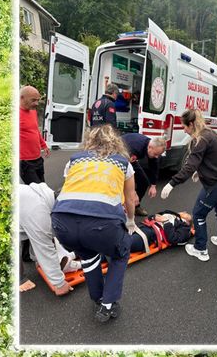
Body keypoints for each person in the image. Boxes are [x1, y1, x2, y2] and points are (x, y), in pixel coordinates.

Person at [51, 124, 137, 322]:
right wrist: (130, 221)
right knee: (120, 251)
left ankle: (98, 296)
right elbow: (130, 198)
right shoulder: (123, 163)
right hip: (102, 222)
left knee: (88, 254)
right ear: (115, 141)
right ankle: (107, 305)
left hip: (63, 221)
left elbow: (72, 187)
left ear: (90, 140)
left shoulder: (74, 160)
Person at [160, 109, 217, 262]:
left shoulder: (200, 140)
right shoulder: (210, 133)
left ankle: (201, 249)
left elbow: (189, 166)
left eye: (184, 126)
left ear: (190, 124)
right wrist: (201, 171)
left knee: (198, 213)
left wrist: (171, 183)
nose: (183, 129)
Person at [19, 182, 73, 296]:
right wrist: (59, 284)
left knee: (30, 228)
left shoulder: (47, 194)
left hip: (17, 204)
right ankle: (19, 279)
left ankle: (30, 257)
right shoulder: (38, 213)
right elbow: (45, 248)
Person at [122, 133, 167, 216]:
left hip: (130, 160)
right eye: (156, 154)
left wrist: (153, 185)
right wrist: (133, 193)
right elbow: (123, 171)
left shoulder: (152, 147)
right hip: (119, 158)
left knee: (144, 181)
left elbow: (154, 167)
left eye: (158, 155)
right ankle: (124, 207)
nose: (157, 157)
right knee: (122, 184)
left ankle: (135, 206)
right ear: (149, 147)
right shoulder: (135, 147)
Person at [19, 85, 50, 185]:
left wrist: (44, 145)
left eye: (38, 100)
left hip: (37, 159)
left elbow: (35, 130)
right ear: (22, 98)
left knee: (43, 186)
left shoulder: (32, 111)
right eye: (33, 100)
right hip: (25, 162)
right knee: (37, 192)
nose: (36, 103)